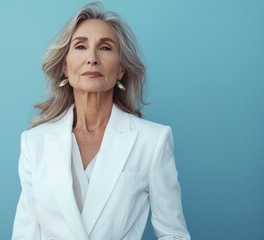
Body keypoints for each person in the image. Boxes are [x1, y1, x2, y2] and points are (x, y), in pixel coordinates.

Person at [12, 2, 190, 240]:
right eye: (81, 46)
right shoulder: (34, 144)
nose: (92, 58)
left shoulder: (153, 141)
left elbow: (174, 234)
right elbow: (25, 235)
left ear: (120, 70)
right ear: (65, 67)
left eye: (105, 48)